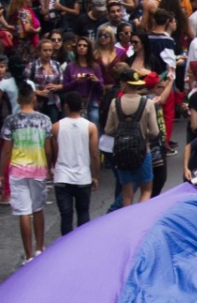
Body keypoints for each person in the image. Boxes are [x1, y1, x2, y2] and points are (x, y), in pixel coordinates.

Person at [0, 91, 52, 265]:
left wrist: (1, 173)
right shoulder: (44, 120)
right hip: (38, 168)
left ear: (18, 100)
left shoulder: (11, 121)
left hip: (18, 170)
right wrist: (49, 166)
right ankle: (40, 248)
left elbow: (6, 150)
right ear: (34, 98)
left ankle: (28, 254)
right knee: (38, 208)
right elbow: (48, 148)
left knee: (23, 212)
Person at [105, 70, 160, 208]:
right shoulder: (147, 104)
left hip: (121, 152)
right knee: (146, 190)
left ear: (123, 84)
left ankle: (127, 222)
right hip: (142, 151)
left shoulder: (114, 103)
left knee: (127, 194)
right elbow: (154, 132)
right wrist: (142, 132)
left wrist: (121, 131)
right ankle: (140, 218)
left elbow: (108, 130)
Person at [51, 91, 99, 236]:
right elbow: (95, 155)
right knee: (83, 213)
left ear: (66, 106)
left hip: (62, 177)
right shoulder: (90, 127)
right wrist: (95, 176)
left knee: (66, 216)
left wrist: (52, 167)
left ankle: (66, 247)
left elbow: (53, 151)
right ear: (81, 106)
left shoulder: (56, 127)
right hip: (82, 177)